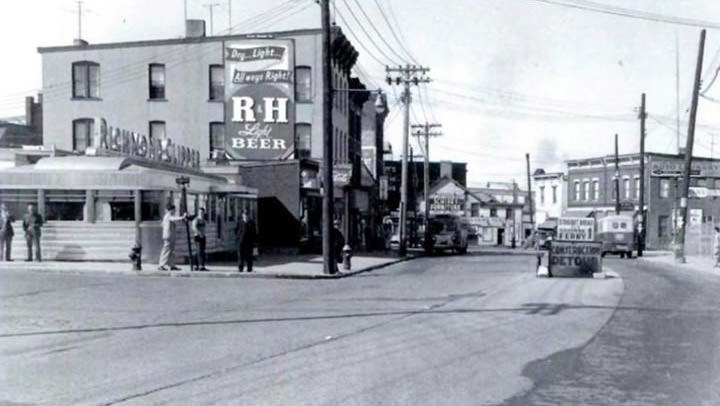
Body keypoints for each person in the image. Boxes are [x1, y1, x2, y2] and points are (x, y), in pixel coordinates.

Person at [158, 203, 186, 271]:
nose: (174, 211)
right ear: (170, 210)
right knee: (166, 250)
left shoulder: (167, 217)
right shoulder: (168, 216)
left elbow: (163, 224)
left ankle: (172, 265)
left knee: (171, 251)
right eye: (173, 210)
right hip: (168, 236)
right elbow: (174, 219)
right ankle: (161, 265)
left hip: (170, 235)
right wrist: (183, 217)